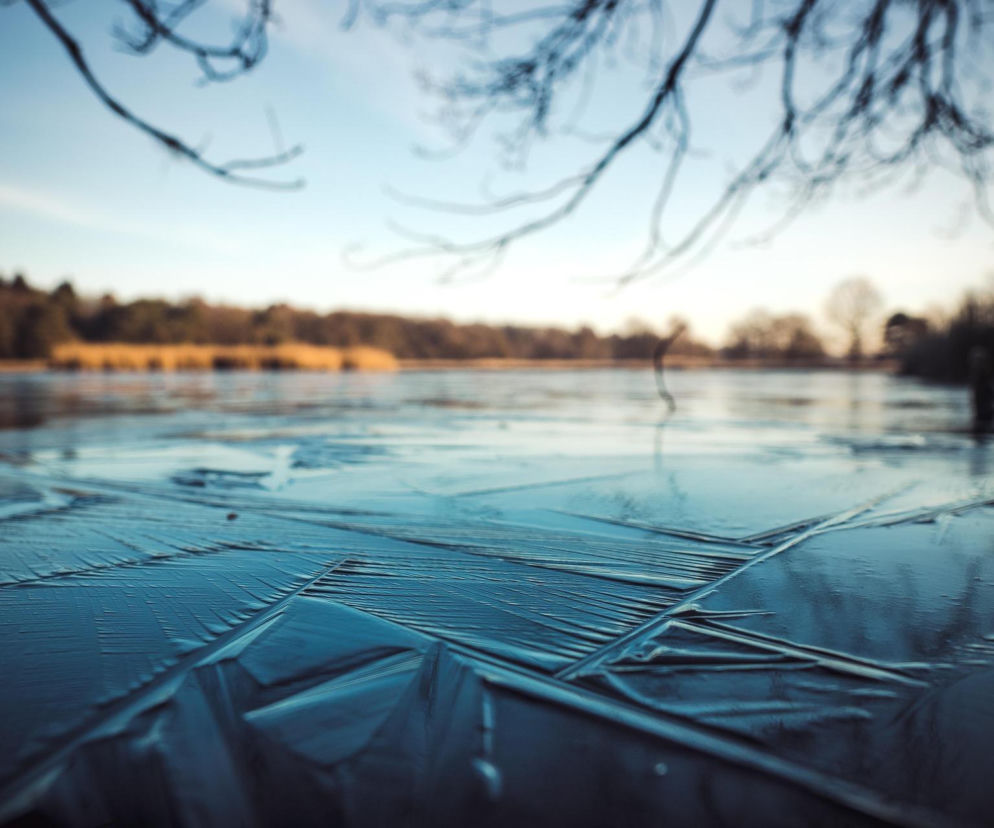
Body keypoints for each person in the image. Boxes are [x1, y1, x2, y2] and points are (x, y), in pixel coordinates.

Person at [968, 346, 993, 432]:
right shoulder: (975, 376)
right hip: (979, 413)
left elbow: (990, 392)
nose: (974, 363)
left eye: (977, 360)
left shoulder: (984, 376)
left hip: (985, 413)